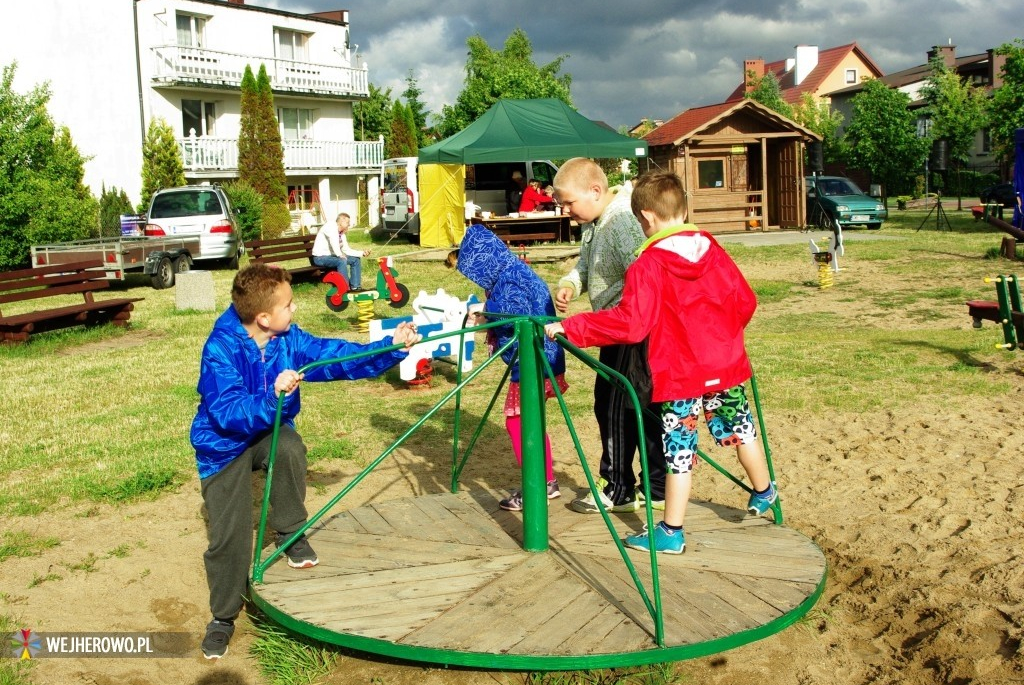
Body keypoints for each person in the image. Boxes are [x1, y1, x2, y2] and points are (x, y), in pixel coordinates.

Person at [190, 263, 420, 659]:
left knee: (290, 448)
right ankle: (223, 616)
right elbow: (227, 412)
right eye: (289, 305)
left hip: (267, 431)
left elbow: (332, 356)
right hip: (224, 445)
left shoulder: (286, 339)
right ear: (264, 317)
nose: (294, 310)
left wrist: (389, 350)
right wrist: (272, 396)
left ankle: (290, 532)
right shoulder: (221, 348)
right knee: (229, 537)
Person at [544, 171, 777, 555]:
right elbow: (745, 302)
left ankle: (671, 531)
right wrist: (722, 339)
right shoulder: (712, 248)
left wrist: (573, 327)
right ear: (683, 210)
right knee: (742, 430)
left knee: (679, 452)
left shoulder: (648, 265)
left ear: (647, 219)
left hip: (682, 374)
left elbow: (632, 324)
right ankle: (765, 489)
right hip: (725, 366)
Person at [551, 157, 666, 514]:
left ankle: (620, 488)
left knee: (617, 407)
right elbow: (587, 264)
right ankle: (657, 487)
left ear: (595, 191)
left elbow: (644, 271)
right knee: (635, 407)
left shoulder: (621, 223)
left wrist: (624, 313)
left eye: (569, 203)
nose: (566, 211)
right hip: (616, 327)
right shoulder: (595, 222)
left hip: (629, 329)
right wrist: (571, 282)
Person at [447, 223, 568, 511]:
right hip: (543, 357)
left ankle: (537, 484)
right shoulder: (512, 271)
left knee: (518, 422)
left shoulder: (510, 279)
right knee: (531, 420)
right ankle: (546, 481)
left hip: (533, 359)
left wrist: (485, 313)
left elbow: (516, 318)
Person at [312, 212, 370, 291]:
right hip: (320, 258)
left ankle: (355, 286)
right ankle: (344, 288)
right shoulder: (330, 226)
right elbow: (333, 241)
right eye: (347, 222)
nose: (349, 225)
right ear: (341, 221)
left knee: (355, 259)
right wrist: (339, 254)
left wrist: (362, 253)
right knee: (341, 261)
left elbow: (347, 250)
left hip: (332, 257)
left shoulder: (341, 234)